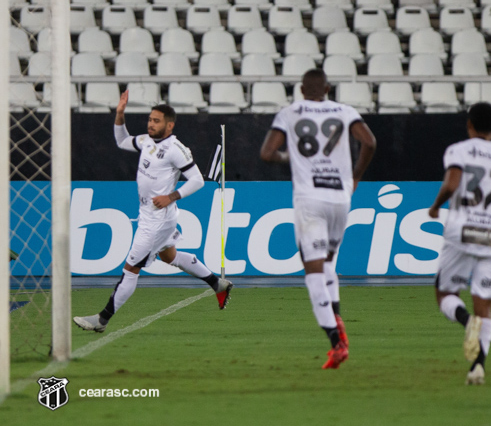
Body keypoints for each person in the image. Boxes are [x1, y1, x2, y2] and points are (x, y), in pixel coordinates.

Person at [74, 91, 233, 333]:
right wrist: (119, 114)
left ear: (170, 125)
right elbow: (121, 140)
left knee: (131, 269)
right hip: (149, 215)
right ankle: (217, 283)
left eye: (156, 121)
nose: (150, 123)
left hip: (158, 221)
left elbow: (197, 180)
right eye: (150, 119)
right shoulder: (147, 141)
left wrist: (171, 196)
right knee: (170, 257)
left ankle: (102, 319)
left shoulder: (175, 149)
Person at [260, 69, 376, 369]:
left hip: (310, 200)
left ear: (300, 89)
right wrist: (356, 176)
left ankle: (336, 343)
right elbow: (370, 142)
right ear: (327, 87)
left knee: (313, 271)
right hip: (340, 199)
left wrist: (291, 157)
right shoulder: (345, 110)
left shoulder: (290, 112)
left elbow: (267, 153)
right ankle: (338, 322)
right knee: (327, 265)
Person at [429, 103, 491, 385]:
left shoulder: (458, 150)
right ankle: (478, 366)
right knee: (484, 307)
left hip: (461, 230)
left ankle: (465, 321)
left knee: (444, 292)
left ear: (469, 124)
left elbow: (452, 183)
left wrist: (436, 205)